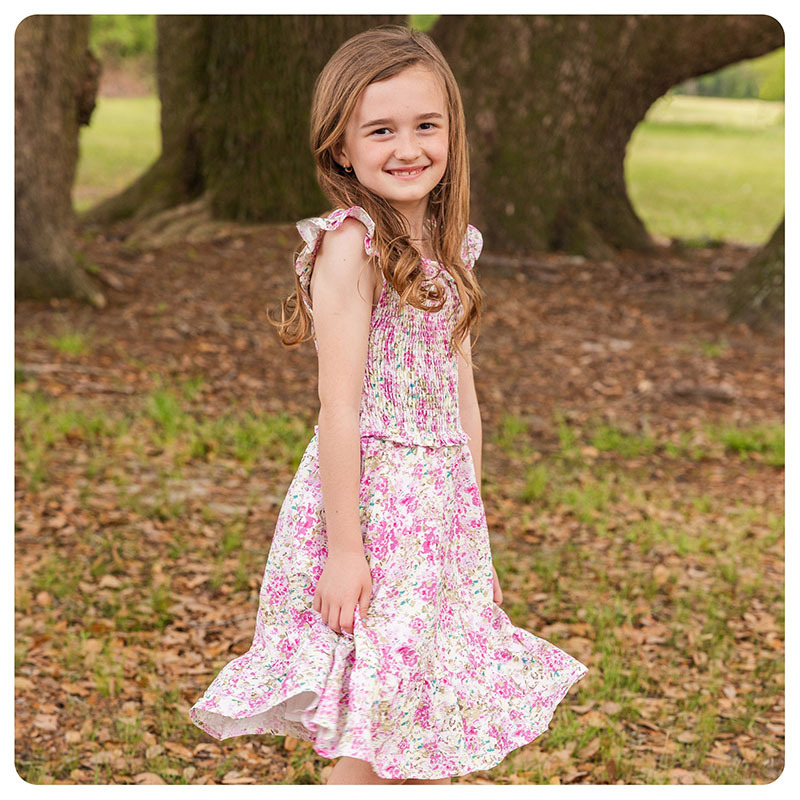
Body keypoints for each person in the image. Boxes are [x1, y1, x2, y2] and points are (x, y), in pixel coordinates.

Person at [189, 24, 589, 785]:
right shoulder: (353, 244)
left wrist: (473, 540)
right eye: (381, 130)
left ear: (451, 132)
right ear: (342, 146)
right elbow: (338, 409)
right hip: (374, 510)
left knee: (426, 722)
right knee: (377, 733)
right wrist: (346, 551)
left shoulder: (450, 244)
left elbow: (461, 395)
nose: (408, 147)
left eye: (425, 125)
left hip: (439, 514)